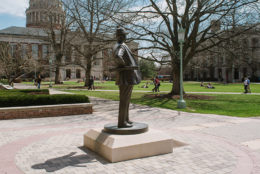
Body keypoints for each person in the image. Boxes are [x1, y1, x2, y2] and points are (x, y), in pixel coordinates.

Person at [112, 27, 141, 128]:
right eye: (124, 35)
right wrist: (124, 66)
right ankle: (122, 122)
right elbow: (117, 56)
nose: (125, 36)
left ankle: (126, 119)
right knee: (124, 100)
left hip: (127, 77)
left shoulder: (121, 45)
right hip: (126, 76)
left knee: (127, 99)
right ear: (120, 36)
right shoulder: (120, 46)